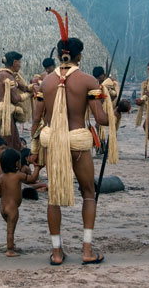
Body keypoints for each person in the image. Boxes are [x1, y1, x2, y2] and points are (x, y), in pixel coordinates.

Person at [32, 14, 112, 265]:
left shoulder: (45, 82)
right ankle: (87, 250)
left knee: (54, 196)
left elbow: (36, 120)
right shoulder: (89, 81)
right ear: (79, 56)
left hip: (54, 143)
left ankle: (57, 252)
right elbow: (100, 120)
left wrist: (35, 148)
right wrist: (114, 110)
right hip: (78, 143)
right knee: (89, 193)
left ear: (58, 56)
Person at [0, 148, 41, 257]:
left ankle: (12, 245)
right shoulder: (18, 175)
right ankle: (10, 250)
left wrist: (2, 193)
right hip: (12, 208)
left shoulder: (1, 177)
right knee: (10, 230)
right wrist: (37, 168)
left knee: (10, 227)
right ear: (16, 163)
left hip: (2, 207)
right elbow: (32, 178)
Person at [0, 51, 29, 151]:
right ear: (14, 62)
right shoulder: (7, 75)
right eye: (19, 62)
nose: (20, 65)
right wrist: (28, 95)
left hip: (5, 113)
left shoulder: (3, 73)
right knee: (9, 145)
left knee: (15, 142)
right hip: (6, 115)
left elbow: (23, 87)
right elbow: (15, 99)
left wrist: (30, 88)